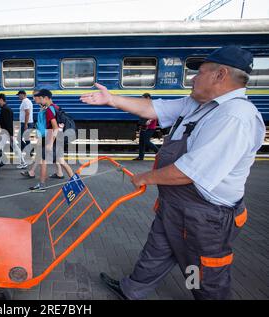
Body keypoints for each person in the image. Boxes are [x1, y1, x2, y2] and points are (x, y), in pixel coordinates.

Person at [80, 46, 265, 300]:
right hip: (177, 205)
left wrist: (145, 177)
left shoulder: (234, 116)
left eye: (199, 73)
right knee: (157, 250)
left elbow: (190, 172)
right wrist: (112, 99)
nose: (192, 78)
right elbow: (152, 109)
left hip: (205, 218)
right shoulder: (198, 104)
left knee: (199, 271)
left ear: (220, 75)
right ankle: (132, 290)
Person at [29, 89, 74, 192]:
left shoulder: (49, 110)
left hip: (51, 137)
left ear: (46, 98)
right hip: (58, 138)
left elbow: (55, 127)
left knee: (43, 161)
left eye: (41, 98)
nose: (40, 100)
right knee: (61, 161)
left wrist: (50, 143)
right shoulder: (56, 107)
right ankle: (75, 182)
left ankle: (41, 186)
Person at [20, 90, 65, 180]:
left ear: (42, 97)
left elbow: (50, 124)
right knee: (49, 154)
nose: (33, 98)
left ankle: (38, 179)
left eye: (35, 96)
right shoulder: (46, 106)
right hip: (47, 133)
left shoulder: (47, 108)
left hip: (47, 134)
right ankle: (59, 173)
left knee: (42, 154)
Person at [0, 93, 26, 168]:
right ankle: (0, 161)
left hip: (7, 132)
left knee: (14, 147)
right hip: (6, 132)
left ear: (1, 100)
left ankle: (23, 162)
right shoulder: (5, 109)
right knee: (3, 146)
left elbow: (8, 123)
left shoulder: (6, 110)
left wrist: (11, 134)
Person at [134, 93, 159, 160]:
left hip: (150, 127)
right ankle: (140, 157)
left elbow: (155, 114)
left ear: (147, 98)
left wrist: (150, 120)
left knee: (146, 141)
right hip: (143, 126)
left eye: (143, 98)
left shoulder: (152, 105)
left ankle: (159, 152)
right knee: (141, 142)